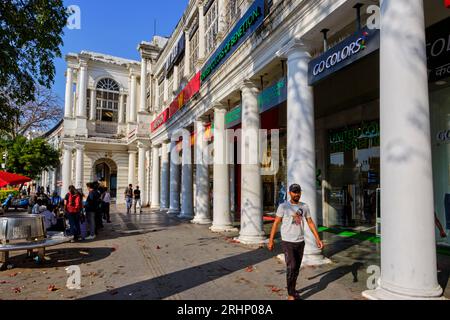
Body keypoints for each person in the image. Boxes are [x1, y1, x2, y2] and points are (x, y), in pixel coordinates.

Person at [268, 184, 325, 301]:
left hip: (300, 241)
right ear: (289, 193)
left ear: (300, 193)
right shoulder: (283, 206)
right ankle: (291, 294)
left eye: (298, 192)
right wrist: (271, 240)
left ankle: (293, 289)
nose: (296, 194)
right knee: (291, 266)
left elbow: (310, 222)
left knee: (296, 268)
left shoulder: (304, 206)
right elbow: (276, 223)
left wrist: (318, 239)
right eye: (294, 192)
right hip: (287, 241)